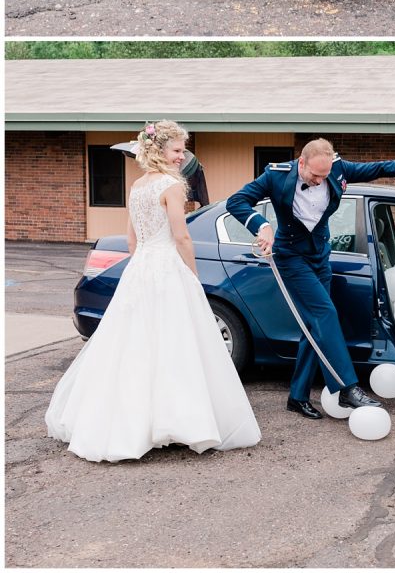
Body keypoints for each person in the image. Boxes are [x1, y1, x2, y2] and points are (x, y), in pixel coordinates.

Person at [46, 120, 261, 461]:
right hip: (168, 268)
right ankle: (176, 420)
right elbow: (182, 236)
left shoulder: (137, 186)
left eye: (182, 150)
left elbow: (132, 239)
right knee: (175, 343)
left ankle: (131, 422)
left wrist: (142, 266)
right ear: (160, 149)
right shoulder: (170, 185)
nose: (181, 157)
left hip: (142, 268)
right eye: (177, 150)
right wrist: (192, 276)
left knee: (134, 345)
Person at [227, 139, 395, 419]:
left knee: (314, 328)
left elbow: (375, 168)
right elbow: (236, 201)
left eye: (324, 176)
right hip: (291, 258)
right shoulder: (276, 175)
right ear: (301, 162)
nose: (320, 180)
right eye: (315, 175)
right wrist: (262, 226)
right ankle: (347, 387)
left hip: (320, 256)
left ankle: (297, 396)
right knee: (325, 314)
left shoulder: (337, 169)